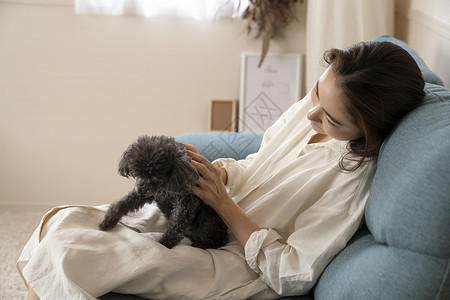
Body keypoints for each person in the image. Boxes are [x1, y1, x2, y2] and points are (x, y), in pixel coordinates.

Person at [21, 40, 425, 300]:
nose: (312, 113)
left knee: (70, 252)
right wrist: (215, 173)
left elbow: (294, 272)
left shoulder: (352, 179)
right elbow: (256, 163)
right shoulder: (313, 107)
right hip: (200, 213)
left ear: (366, 131)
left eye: (331, 120)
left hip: (233, 259)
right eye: (317, 92)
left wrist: (226, 204)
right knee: (62, 221)